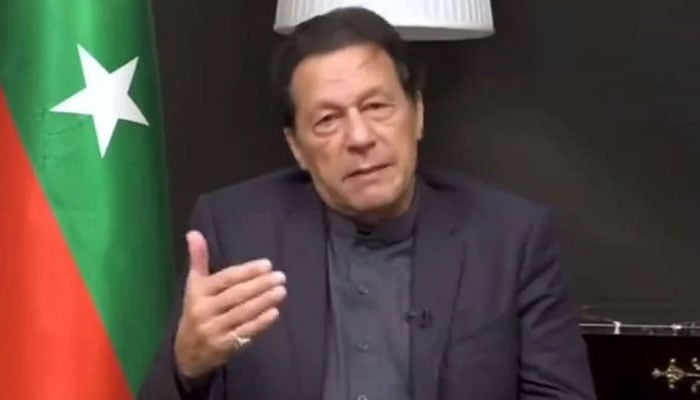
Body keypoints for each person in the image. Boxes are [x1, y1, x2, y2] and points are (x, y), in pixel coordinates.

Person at [140, 7, 595, 400]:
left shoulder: (512, 240)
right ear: (297, 147)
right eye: (327, 119)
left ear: (417, 113)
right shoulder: (234, 229)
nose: (359, 137)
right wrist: (188, 367)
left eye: (377, 107)